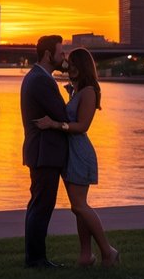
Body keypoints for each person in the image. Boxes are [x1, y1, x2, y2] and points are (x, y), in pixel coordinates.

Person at [35, 47, 120, 267]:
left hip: (79, 152)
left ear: (81, 66)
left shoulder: (89, 91)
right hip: (70, 151)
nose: (67, 66)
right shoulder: (78, 89)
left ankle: (108, 251)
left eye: (72, 63)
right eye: (67, 62)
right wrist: (71, 93)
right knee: (78, 205)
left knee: (79, 206)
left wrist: (54, 124)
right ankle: (85, 256)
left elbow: (82, 126)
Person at [20, 34, 70, 268]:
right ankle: (36, 259)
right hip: (44, 153)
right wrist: (74, 95)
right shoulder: (41, 80)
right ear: (49, 54)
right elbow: (62, 114)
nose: (64, 57)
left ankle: (35, 257)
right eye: (61, 53)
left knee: (38, 205)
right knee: (41, 206)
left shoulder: (37, 77)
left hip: (42, 152)